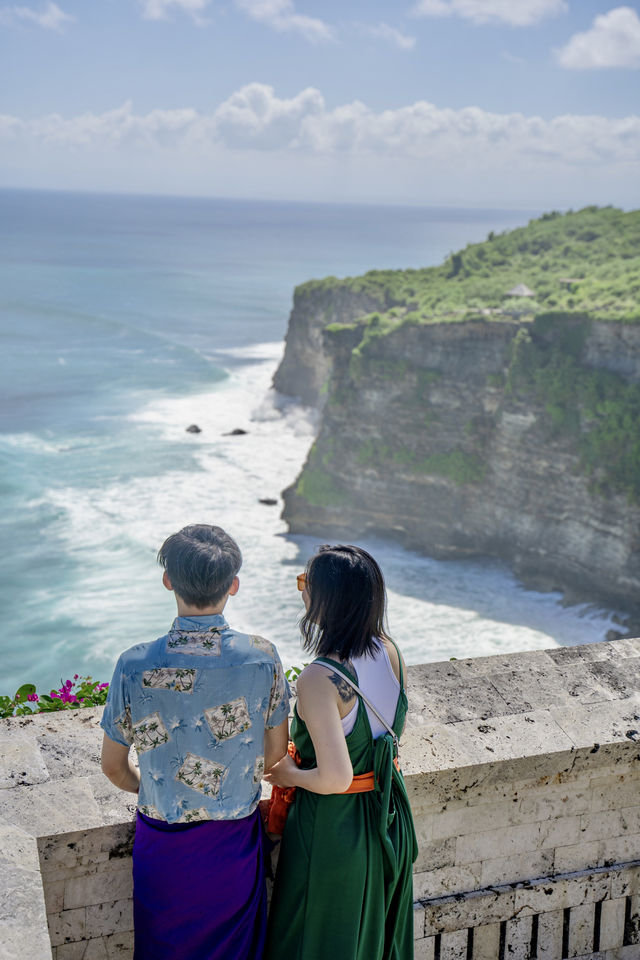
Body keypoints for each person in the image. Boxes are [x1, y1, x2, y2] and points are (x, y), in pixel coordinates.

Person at [100, 524, 289, 960]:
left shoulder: (133, 664)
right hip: (233, 848)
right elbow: (275, 754)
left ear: (169, 581)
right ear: (233, 586)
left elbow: (113, 766)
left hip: (163, 848)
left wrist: (158, 785)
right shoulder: (263, 658)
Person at [264, 544, 418, 960]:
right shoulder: (391, 652)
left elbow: (335, 778)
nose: (302, 592)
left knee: (310, 940)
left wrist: (289, 775)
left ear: (328, 597)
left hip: (332, 829)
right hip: (386, 817)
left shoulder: (321, 678)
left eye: (305, 584)